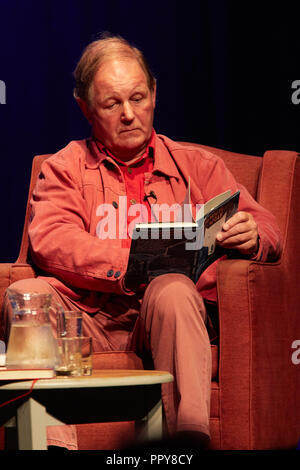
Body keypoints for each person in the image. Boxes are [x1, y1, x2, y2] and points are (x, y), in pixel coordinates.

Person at [0, 35, 282, 450]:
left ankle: (187, 441)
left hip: (166, 317)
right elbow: (53, 240)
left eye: (138, 97)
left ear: (154, 95)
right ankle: (49, 444)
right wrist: (133, 264)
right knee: (25, 293)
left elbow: (268, 226)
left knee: (171, 288)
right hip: (85, 318)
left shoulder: (198, 166)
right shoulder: (63, 168)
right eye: (112, 104)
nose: (129, 114)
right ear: (86, 108)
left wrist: (255, 235)